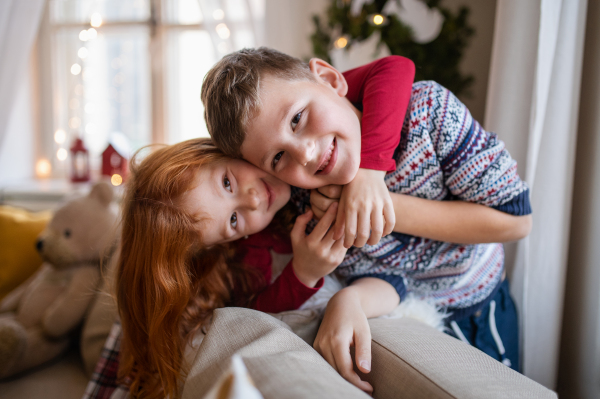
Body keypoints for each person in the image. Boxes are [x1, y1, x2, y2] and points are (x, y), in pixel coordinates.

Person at [200, 47, 533, 382]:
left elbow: (516, 219)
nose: (306, 154)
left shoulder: (428, 114)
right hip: (422, 317)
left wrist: (373, 191)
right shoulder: (306, 203)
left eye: (298, 118)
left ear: (330, 79)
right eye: (278, 158)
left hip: (483, 305)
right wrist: (350, 299)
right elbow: (394, 279)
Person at [114, 138, 400, 399]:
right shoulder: (245, 264)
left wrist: (369, 174)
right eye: (234, 220)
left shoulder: (309, 149)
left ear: (215, 151)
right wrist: (304, 274)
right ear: (229, 242)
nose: (252, 200)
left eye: (227, 183)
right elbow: (257, 315)